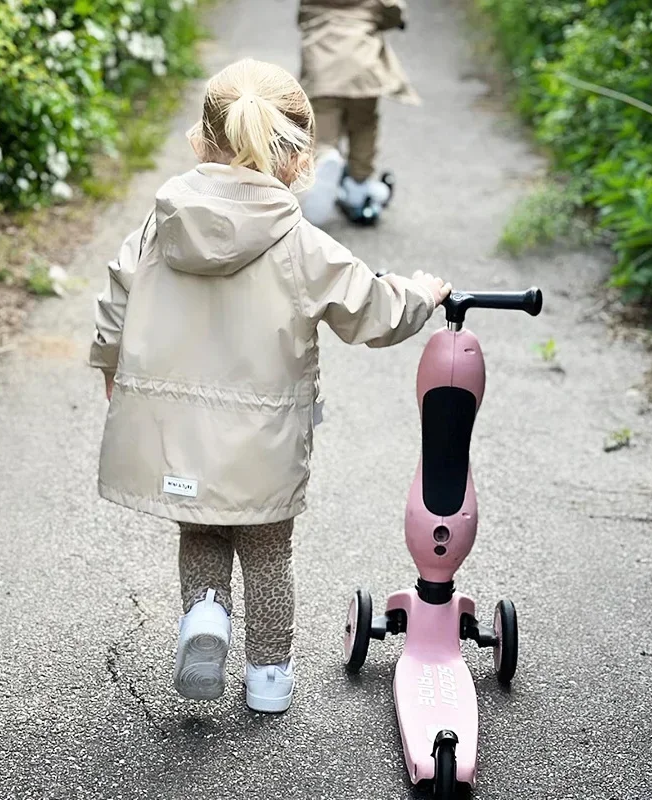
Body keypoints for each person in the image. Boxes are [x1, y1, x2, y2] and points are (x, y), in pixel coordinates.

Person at [89, 58, 449, 714]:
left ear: (202, 142)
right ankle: (268, 678)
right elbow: (372, 310)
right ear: (298, 156)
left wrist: (111, 365)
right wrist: (420, 294)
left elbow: (118, 291)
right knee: (267, 547)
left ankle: (204, 620)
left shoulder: (161, 224)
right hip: (265, 435)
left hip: (178, 432)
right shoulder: (302, 244)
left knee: (200, 529)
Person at [297, 0, 419, 225]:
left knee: (321, 126)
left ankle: (325, 160)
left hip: (321, 65)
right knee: (363, 125)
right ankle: (359, 182)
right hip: (363, 67)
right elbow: (393, 10)